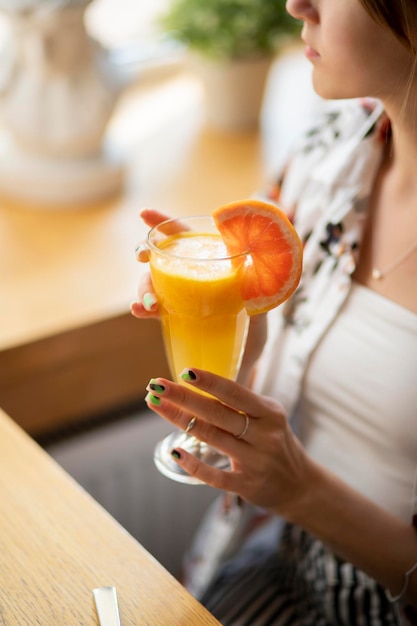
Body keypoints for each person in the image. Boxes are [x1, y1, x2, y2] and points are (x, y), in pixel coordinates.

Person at [131, 0, 417, 623]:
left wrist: (299, 488)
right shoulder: (328, 149)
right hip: (279, 556)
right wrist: (245, 338)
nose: (296, 4)